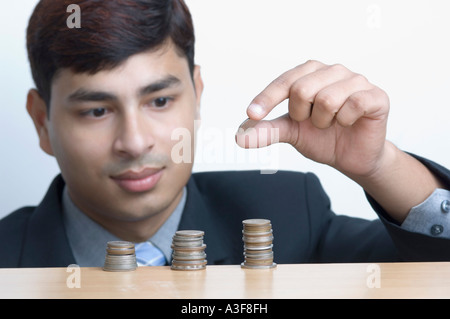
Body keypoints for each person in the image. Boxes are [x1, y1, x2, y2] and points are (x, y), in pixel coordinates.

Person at [1, 0, 449, 268]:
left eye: (159, 101)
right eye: (97, 110)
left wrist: (380, 167)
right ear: (42, 121)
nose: (135, 142)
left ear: (196, 94)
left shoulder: (290, 215)